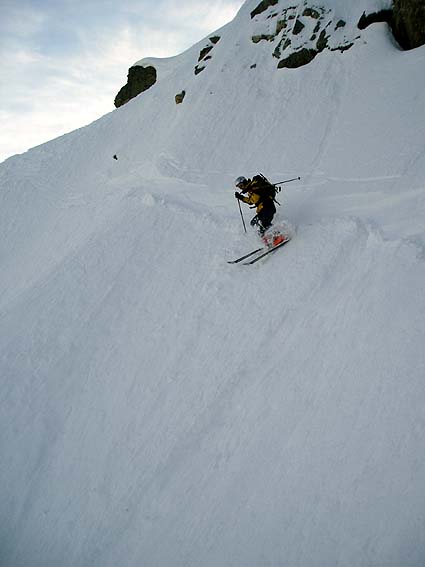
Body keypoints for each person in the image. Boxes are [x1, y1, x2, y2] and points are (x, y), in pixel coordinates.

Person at [234, 175, 282, 244]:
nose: (241, 188)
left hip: (268, 207)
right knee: (254, 223)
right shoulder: (250, 189)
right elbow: (251, 200)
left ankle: (278, 236)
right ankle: (267, 240)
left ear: (244, 182)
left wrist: (241, 197)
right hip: (262, 209)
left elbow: (253, 201)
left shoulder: (253, 186)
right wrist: (241, 197)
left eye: (241, 186)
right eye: (239, 187)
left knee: (265, 223)